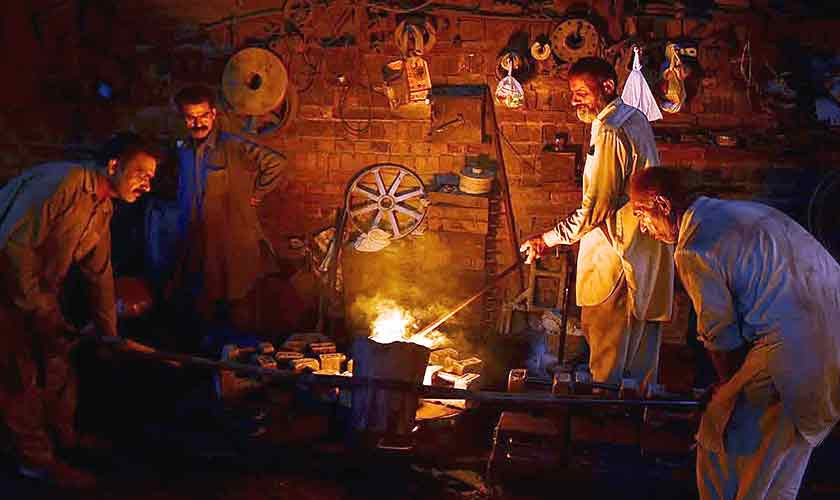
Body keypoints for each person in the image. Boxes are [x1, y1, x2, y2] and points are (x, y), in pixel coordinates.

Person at [629, 166, 840, 499]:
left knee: (722, 447)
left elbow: (721, 336)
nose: (643, 227)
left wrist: (725, 387)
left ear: (664, 205)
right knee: (779, 471)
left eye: (641, 214)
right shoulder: (739, 212)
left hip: (789, 355)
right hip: (831, 346)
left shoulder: (695, 248)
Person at [0, 132, 158, 488]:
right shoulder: (64, 183)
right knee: (19, 376)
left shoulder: (102, 207)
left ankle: (64, 439)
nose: (147, 185)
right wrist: (38, 307)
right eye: (141, 173)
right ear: (113, 165)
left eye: (151, 177)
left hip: (38, 294)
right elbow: (13, 247)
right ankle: (36, 462)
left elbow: (99, 274)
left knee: (57, 362)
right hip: (6, 289)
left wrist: (109, 335)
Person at [519, 57, 674, 387]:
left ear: (607, 86)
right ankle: (638, 415)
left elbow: (595, 209)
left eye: (582, 93)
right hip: (644, 254)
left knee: (607, 364)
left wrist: (546, 239)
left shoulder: (609, 130)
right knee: (639, 365)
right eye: (572, 93)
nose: (575, 101)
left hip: (615, 258)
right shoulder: (635, 117)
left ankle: (606, 416)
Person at [172, 85, 289, 335]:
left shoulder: (233, 145)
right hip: (199, 243)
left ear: (213, 114)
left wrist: (256, 194)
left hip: (233, 243)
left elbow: (276, 163)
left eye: (203, 115)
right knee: (202, 306)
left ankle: (240, 353)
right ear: (183, 119)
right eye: (191, 117)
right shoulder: (183, 150)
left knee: (238, 307)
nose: (198, 123)